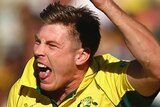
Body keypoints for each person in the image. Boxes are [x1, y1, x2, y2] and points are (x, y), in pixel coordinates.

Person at [7, 0, 160, 107]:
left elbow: (156, 66)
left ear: (81, 56)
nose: (38, 51)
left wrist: (106, 5)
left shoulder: (111, 82)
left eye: (52, 45)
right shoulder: (24, 87)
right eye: (38, 42)